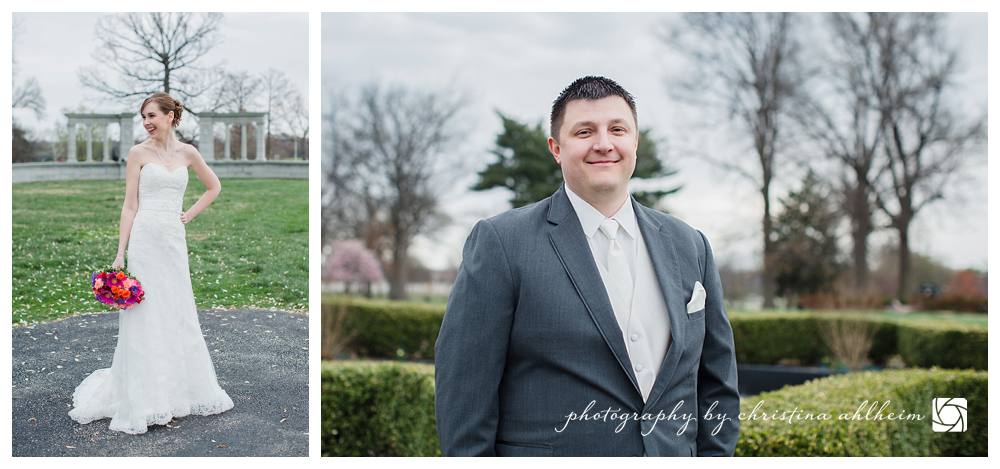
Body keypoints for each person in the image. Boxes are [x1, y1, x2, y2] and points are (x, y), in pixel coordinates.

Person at [435, 76, 740, 456]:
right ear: (556, 148)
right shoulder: (502, 243)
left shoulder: (690, 244)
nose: (603, 143)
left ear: (635, 142)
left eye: (617, 129)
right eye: (584, 131)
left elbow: (718, 383)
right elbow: (464, 394)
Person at [69, 92, 234, 435]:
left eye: (152, 115)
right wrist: (120, 253)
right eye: (143, 116)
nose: (146, 122)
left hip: (173, 239)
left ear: (171, 116)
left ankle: (178, 389)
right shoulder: (137, 153)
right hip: (144, 239)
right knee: (145, 314)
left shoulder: (188, 152)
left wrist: (189, 213)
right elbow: (129, 206)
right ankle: (146, 397)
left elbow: (214, 187)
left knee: (176, 309)